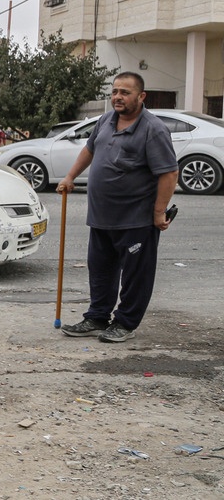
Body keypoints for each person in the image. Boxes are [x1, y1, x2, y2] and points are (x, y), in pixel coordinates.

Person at [57, 72, 177, 344]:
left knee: (136, 276)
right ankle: (97, 317)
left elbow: (169, 174)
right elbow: (90, 150)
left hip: (136, 218)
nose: (118, 97)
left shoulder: (153, 129)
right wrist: (69, 177)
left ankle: (125, 323)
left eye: (125, 92)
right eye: (114, 92)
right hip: (101, 216)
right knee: (100, 271)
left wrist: (159, 212)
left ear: (141, 96)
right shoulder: (105, 121)